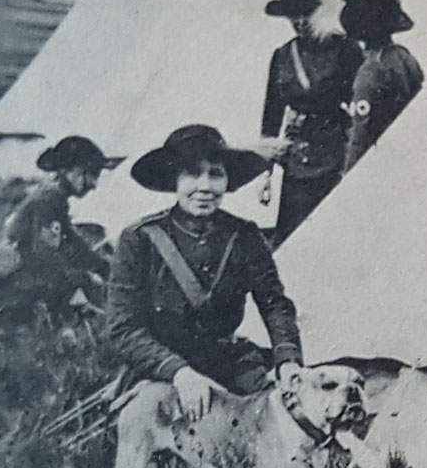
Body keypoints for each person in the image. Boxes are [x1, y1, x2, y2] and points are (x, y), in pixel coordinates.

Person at [106, 124, 304, 421]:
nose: (205, 187)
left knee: (282, 415)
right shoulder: (140, 239)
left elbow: (274, 303)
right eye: (191, 173)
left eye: (215, 173)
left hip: (227, 362)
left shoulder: (245, 236)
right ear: (174, 178)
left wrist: (288, 360)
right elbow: (123, 328)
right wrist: (180, 372)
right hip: (161, 366)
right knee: (148, 418)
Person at [0, 135, 122, 322]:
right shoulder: (47, 202)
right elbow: (44, 257)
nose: (94, 184)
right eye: (91, 174)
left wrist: (105, 268)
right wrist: (86, 277)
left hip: (21, 287)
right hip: (11, 294)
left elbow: (73, 246)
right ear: (71, 172)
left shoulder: (54, 200)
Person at [256, 0, 362, 243]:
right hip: (297, 158)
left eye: (306, 14)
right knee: (292, 232)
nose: (300, 22)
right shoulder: (282, 56)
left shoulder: (344, 49)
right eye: (293, 15)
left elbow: (361, 104)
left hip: (337, 152)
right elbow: (272, 111)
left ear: (319, 12)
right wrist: (266, 170)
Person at [338, 0, 424, 170]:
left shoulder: (370, 72)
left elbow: (360, 134)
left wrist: (348, 173)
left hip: (379, 165)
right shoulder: (404, 58)